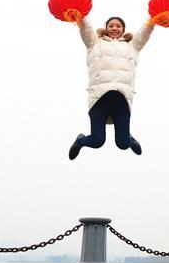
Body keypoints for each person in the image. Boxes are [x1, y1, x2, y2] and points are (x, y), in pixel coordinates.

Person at [68, 15, 160, 160]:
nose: (114, 28)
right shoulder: (94, 42)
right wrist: (80, 15)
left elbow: (144, 32)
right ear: (106, 28)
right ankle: (80, 141)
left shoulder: (133, 45)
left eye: (118, 26)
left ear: (123, 29)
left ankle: (128, 137)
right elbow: (86, 28)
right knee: (97, 141)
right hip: (99, 97)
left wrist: (152, 21)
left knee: (123, 144)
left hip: (121, 98)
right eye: (111, 26)